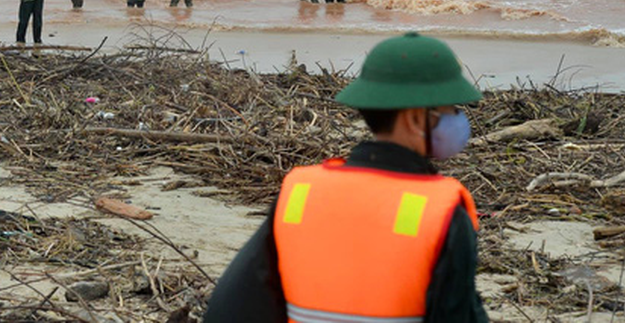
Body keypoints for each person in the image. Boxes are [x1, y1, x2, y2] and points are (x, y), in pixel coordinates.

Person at [203, 32, 488, 323]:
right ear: (415, 119)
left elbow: (230, 309)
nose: (458, 119)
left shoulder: (300, 193)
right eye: (451, 109)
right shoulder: (440, 212)